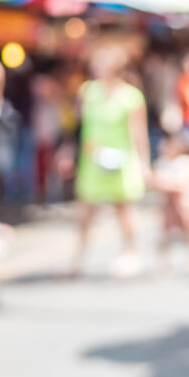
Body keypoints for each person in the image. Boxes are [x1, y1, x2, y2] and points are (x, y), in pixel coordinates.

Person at [73, 45, 151, 278]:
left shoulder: (131, 96)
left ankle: (130, 252)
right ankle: (78, 259)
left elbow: (138, 132)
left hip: (120, 161)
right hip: (92, 161)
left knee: (123, 209)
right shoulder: (88, 91)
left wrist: (144, 163)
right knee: (86, 212)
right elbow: (79, 126)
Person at [151, 131, 189, 274]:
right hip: (168, 206)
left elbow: (182, 183)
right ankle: (163, 261)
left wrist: (166, 184)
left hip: (186, 205)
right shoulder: (163, 163)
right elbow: (156, 181)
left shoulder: (186, 162)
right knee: (166, 234)